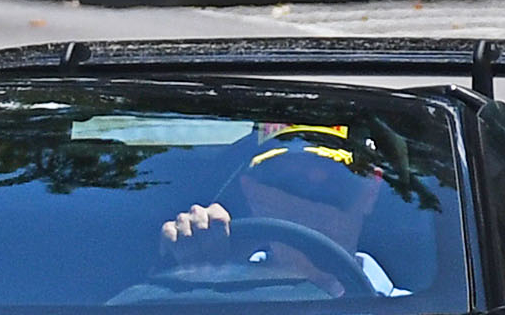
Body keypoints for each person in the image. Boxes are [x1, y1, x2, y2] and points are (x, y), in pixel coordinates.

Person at [158, 127, 409, 296]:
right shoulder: (216, 299)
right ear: (252, 192)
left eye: (333, 183)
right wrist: (190, 267)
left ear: (370, 191)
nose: (306, 204)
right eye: (286, 182)